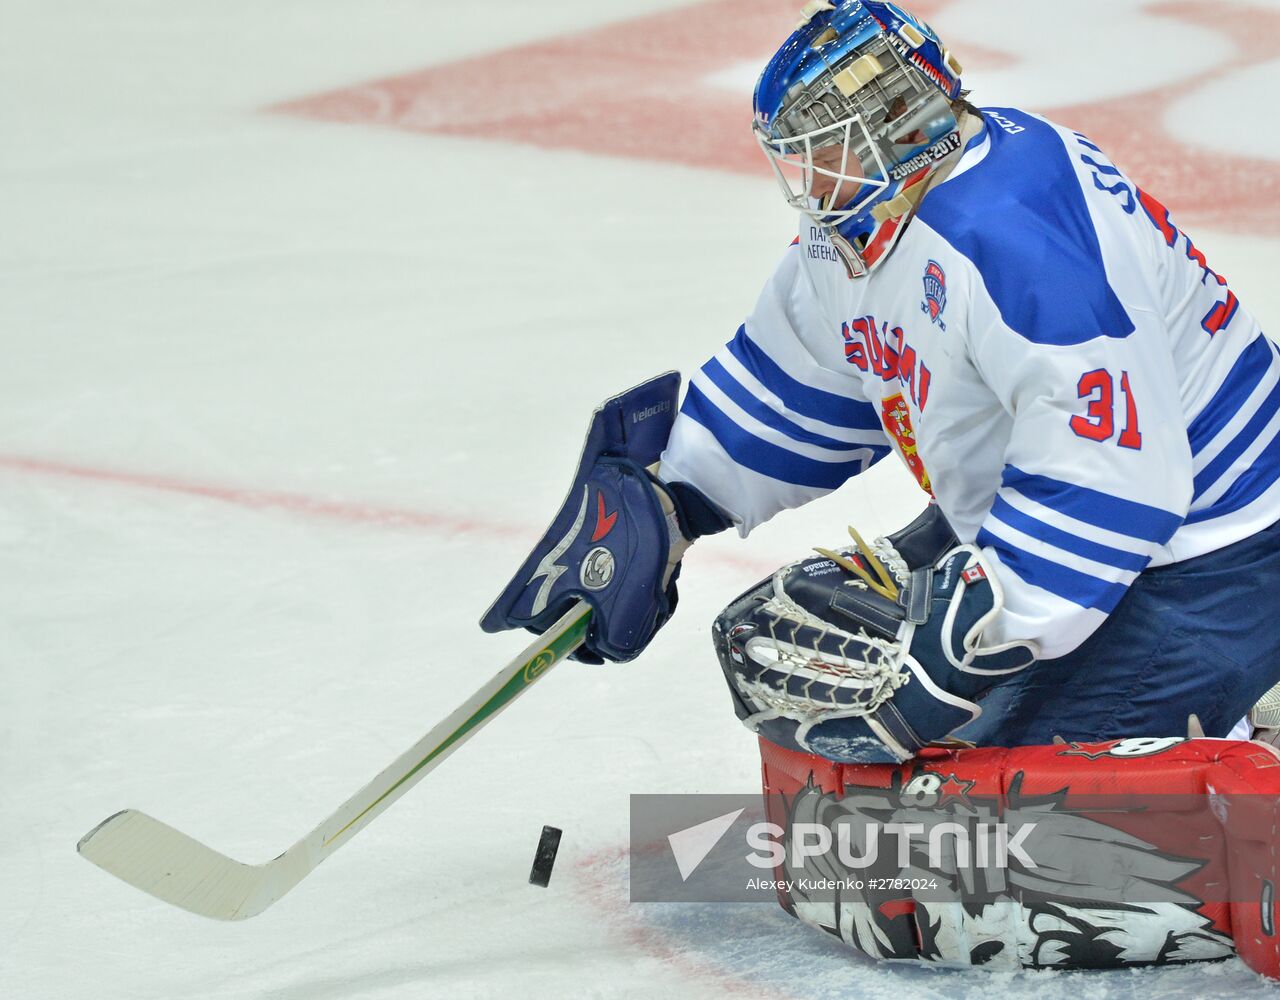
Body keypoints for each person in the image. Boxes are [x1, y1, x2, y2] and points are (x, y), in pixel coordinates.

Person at [484, 0, 1280, 763]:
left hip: (1222, 546)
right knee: (887, 713)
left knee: (1019, 803)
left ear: (895, 126)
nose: (808, 173)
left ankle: (1241, 713)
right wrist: (671, 503)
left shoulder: (1015, 235)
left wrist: (984, 627)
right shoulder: (863, 222)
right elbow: (805, 377)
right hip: (1081, 511)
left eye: (823, 144)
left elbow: (1116, 471)